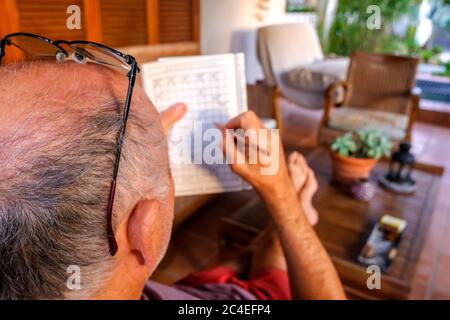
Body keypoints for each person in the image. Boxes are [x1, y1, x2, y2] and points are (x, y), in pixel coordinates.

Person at [0, 61, 345, 300]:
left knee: (240, 259)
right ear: (143, 233)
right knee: (271, 261)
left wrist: (141, 150)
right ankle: (291, 219)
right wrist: (282, 196)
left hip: (187, 288)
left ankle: (246, 254)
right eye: (167, 163)